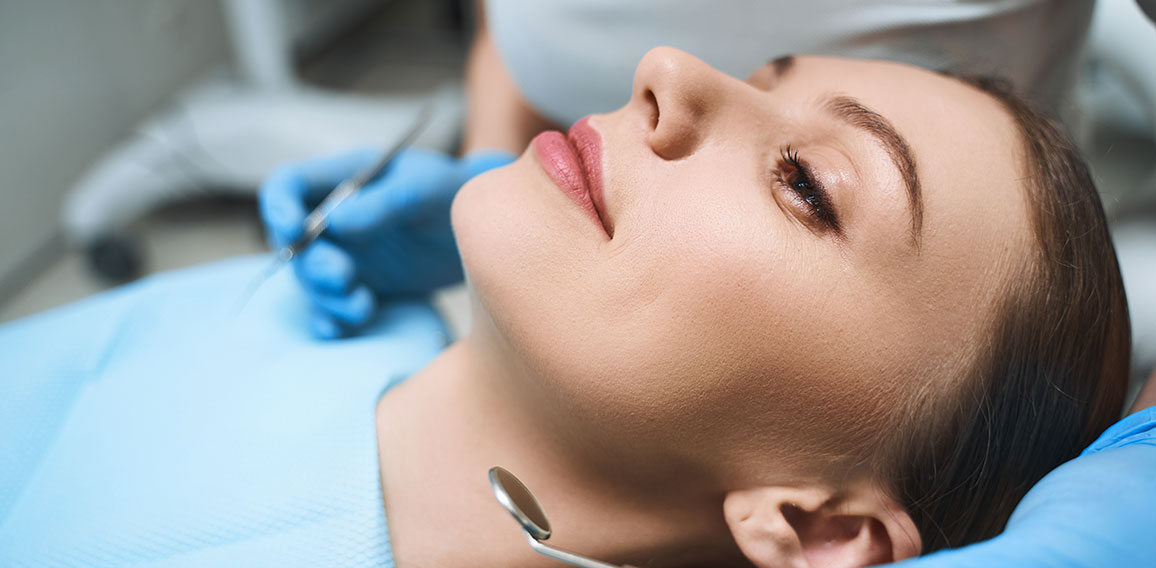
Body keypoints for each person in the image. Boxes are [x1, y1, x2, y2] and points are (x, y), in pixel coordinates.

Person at [0, 48, 1141, 567]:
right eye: (767, 73)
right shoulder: (322, 310)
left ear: (821, 525)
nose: (671, 68)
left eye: (805, 183)